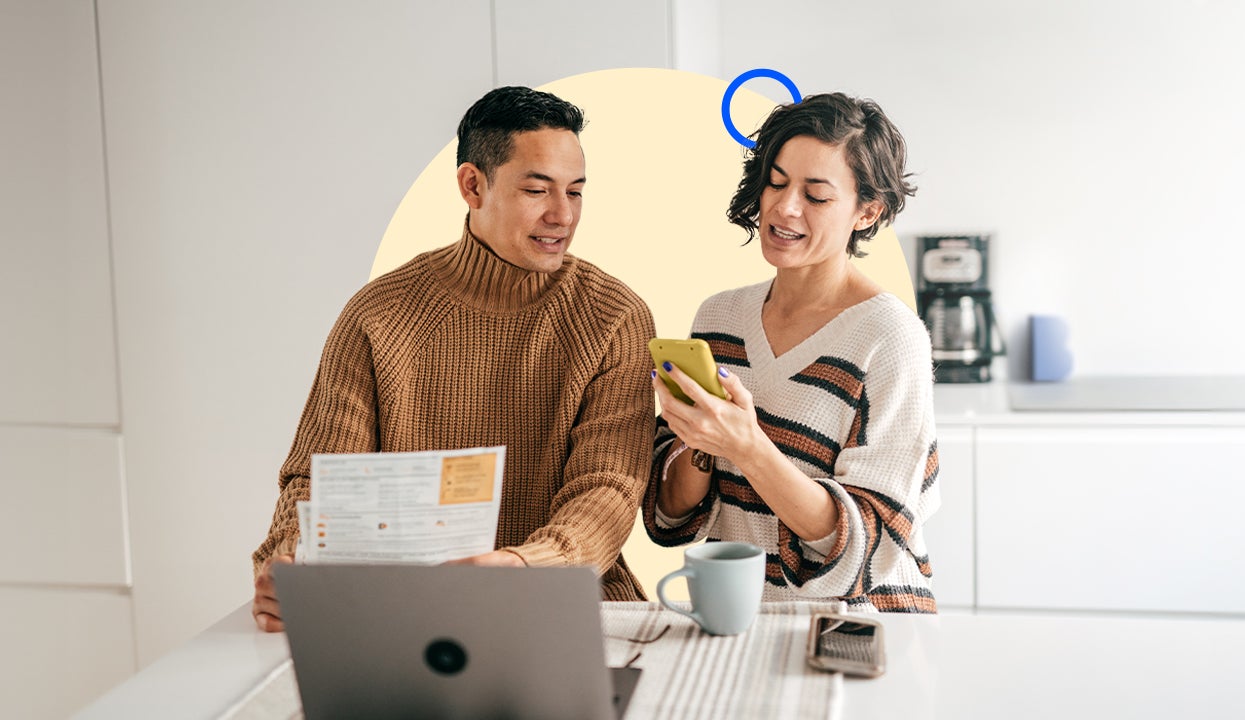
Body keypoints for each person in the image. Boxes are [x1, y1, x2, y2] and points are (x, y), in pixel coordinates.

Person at [251, 86, 657, 632]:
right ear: (473, 185)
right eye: (537, 190)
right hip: (405, 612)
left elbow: (608, 489)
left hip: (567, 604)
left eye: (576, 192)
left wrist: (523, 565)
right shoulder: (379, 314)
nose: (563, 214)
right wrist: (292, 561)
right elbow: (318, 480)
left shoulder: (614, 316)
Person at [642, 92, 939, 613]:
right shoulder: (719, 319)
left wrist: (749, 447)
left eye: (816, 195)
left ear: (867, 212)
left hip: (856, 630)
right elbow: (671, 516)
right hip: (740, 619)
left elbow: (869, 546)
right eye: (776, 182)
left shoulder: (889, 337)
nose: (783, 207)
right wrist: (703, 439)